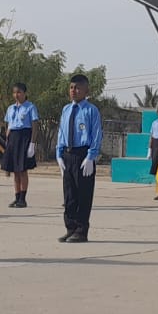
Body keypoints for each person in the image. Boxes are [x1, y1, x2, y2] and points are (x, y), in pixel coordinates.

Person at [55, 73, 102, 243]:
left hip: (83, 155)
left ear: (86, 91)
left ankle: (81, 230)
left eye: (77, 88)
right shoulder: (66, 109)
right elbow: (61, 132)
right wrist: (59, 154)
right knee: (69, 195)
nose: (73, 91)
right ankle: (70, 227)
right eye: (71, 87)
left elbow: (96, 134)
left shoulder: (91, 110)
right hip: (68, 154)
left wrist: (91, 156)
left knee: (83, 194)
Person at [1, 82, 40, 208]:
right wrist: (7, 141)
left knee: (22, 170)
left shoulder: (30, 107)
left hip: (24, 137)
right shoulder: (10, 108)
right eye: (14, 92)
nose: (16, 95)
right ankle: (17, 197)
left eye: (19, 92)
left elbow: (34, 126)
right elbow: (9, 126)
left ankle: (23, 198)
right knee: (15, 171)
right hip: (13, 138)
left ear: (24, 93)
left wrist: (32, 144)